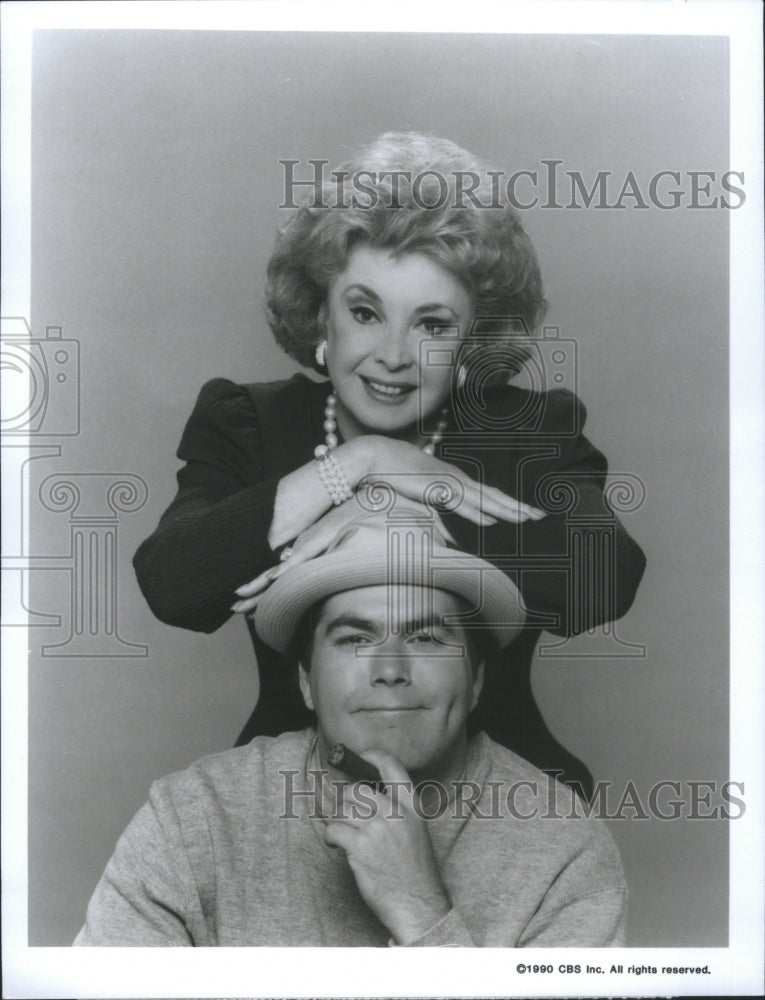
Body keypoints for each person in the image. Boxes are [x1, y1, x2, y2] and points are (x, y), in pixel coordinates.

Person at [133, 132, 646, 796]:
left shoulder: (525, 429)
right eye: (366, 312)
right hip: (289, 802)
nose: (394, 355)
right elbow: (173, 585)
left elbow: (604, 578)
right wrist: (360, 462)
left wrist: (394, 510)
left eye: (432, 325)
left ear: (474, 340)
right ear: (322, 315)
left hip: (501, 800)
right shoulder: (250, 423)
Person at [77, 516, 627, 947]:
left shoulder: (564, 848)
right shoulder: (192, 817)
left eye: (428, 639)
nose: (390, 668)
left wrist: (420, 911)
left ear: (477, 680)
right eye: (354, 639)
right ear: (306, 683)